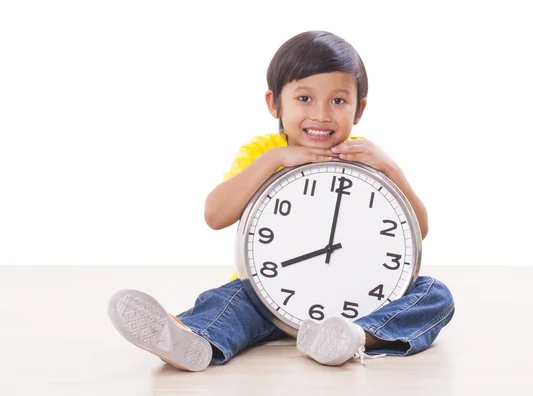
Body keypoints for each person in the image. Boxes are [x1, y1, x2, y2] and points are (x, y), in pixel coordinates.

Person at [108, 30, 455, 372]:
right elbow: (214, 215)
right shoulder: (263, 152)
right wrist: (271, 160)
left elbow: (417, 230)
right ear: (274, 103)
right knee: (227, 301)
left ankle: (355, 336)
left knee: (435, 295)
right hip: (264, 297)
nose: (321, 114)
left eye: (338, 101)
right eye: (305, 99)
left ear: (359, 109)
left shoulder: (364, 155)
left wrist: (391, 168)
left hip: (361, 304)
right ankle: (192, 339)